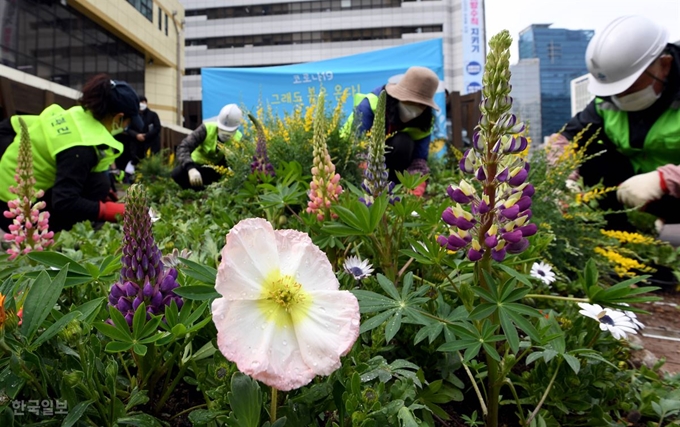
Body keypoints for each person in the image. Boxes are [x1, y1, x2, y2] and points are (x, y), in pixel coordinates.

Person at [548, 15, 680, 232]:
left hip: (671, 197)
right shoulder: (607, 102)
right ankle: (612, 240)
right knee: (591, 152)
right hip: (632, 200)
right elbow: (565, 139)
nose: (619, 96)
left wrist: (667, 179)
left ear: (664, 65)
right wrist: (563, 177)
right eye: (613, 89)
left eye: (628, 86)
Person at [0, 74, 143, 232]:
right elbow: (65, 202)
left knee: (100, 184)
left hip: (8, 191)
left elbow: (8, 126)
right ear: (118, 117)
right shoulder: (81, 147)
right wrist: (108, 210)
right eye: (128, 123)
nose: (126, 128)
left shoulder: (75, 116)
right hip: (14, 213)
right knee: (99, 185)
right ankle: (57, 239)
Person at [342, 66, 440, 196]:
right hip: (351, 158)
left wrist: (416, 189)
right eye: (410, 101)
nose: (414, 108)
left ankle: (394, 192)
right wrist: (373, 187)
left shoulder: (424, 122)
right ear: (399, 95)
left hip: (389, 165)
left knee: (403, 143)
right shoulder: (370, 105)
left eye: (420, 104)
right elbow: (359, 152)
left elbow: (419, 160)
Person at [171, 103, 243, 190]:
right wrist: (191, 168)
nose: (225, 134)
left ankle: (213, 191)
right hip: (197, 168)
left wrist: (233, 160)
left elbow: (242, 162)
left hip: (216, 170)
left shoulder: (239, 138)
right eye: (222, 129)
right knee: (177, 173)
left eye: (229, 132)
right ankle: (193, 191)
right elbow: (183, 147)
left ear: (236, 129)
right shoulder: (206, 129)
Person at [128, 96, 161, 168]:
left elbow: (157, 128)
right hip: (136, 148)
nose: (141, 104)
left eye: (143, 102)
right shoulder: (134, 116)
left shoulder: (153, 115)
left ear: (146, 103)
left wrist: (146, 135)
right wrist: (136, 135)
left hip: (150, 147)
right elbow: (128, 129)